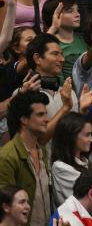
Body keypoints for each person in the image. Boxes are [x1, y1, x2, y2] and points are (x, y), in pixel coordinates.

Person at [0, 90, 51, 225]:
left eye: (46, 114)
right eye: (40, 115)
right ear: (24, 119)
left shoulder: (42, 152)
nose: (47, 119)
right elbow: (5, 208)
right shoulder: (7, 156)